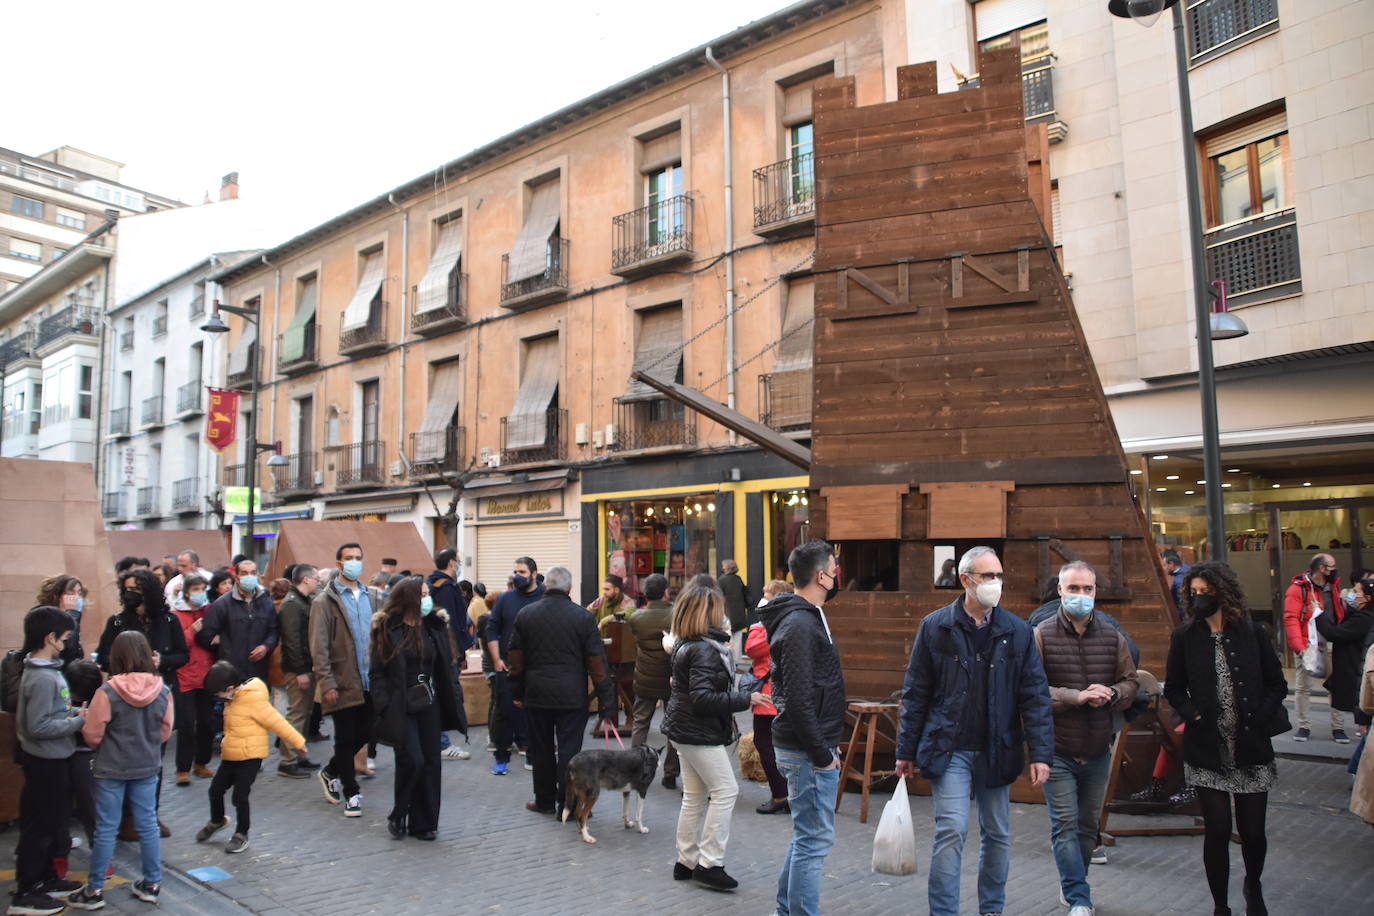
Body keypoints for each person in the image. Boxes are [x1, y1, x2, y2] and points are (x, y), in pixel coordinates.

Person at [894, 545, 1054, 916]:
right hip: (949, 748)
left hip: (998, 748)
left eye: (999, 576)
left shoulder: (1017, 630)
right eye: (987, 576)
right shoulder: (936, 627)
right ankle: (944, 912)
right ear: (966, 580)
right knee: (951, 830)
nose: (995, 583)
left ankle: (992, 909)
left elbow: (1034, 695)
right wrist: (905, 751)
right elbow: (916, 692)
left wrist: (1042, 754)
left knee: (997, 833)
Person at [1165, 561, 1286, 916]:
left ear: (1223, 591)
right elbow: (1174, 688)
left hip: (1251, 745)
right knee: (1217, 830)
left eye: (1206, 592)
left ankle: (1253, 884)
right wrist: (1196, 716)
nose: (1200, 598)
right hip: (1207, 748)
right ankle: (1220, 904)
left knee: (1254, 833)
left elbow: (1277, 683)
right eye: (1194, 593)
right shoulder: (1184, 637)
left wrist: (1261, 717)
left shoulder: (1253, 632)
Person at [1033, 562, 1139, 916]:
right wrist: (1074, 697)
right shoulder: (1043, 634)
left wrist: (1111, 692)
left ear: (1096, 592)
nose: (1081, 595)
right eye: (1074, 588)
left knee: (1087, 826)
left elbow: (1130, 682)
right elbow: (1032, 692)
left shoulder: (1111, 635)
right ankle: (1079, 896)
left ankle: (1072, 883)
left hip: (1097, 748)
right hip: (1057, 748)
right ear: (1060, 591)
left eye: (1088, 589)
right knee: (1064, 824)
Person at [759, 541, 847, 916]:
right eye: (834, 567)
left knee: (806, 838)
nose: (838, 572)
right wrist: (821, 753)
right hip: (807, 750)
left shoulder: (810, 615)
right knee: (813, 841)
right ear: (821, 575)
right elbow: (796, 698)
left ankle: (785, 909)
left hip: (811, 746)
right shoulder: (798, 623)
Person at [662, 580, 765, 892]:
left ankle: (687, 860)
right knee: (725, 791)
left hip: (683, 728)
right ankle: (710, 863)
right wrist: (747, 699)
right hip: (697, 731)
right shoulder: (705, 650)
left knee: (695, 796)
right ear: (709, 615)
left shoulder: (689, 645)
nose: (726, 616)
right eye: (721, 611)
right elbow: (703, 698)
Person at [68, 631, 174, 910]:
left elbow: (92, 734)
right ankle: (151, 883)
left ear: (116, 656)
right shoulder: (162, 690)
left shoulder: (107, 692)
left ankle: (94, 890)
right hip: (147, 765)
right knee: (147, 824)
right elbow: (165, 731)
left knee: (106, 827)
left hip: (111, 768)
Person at [507, 566, 614, 816]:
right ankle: (570, 803)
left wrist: (516, 692)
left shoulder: (526, 615)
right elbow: (597, 663)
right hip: (571, 695)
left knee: (541, 749)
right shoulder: (583, 618)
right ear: (570, 588)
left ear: (545, 586)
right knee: (569, 750)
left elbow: (515, 659)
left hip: (536, 693)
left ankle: (543, 800)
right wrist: (607, 700)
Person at [370, 576, 464, 840]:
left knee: (432, 762)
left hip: (429, 701)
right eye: (422, 594)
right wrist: (384, 704)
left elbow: (447, 666)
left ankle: (423, 823)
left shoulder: (435, 626)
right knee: (413, 759)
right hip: (400, 703)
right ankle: (400, 812)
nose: (427, 599)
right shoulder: (388, 628)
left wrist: (454, 694)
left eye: (427, 594)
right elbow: (377, 671)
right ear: (408, 598)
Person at [11, 606, 87, 915]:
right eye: (66, 637)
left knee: (51, 824)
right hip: (46, 761)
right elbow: (39, 726)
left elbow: (54, 713)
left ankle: (45, 879)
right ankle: (28, 890)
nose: (68, 642)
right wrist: (78, 722)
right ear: (50, 638)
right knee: (41, 827)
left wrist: (72, 714)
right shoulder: (42, 678)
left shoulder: (48, 671)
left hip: (53, 757)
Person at [194, 661, 307, 855]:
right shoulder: (230, 698)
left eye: (217, 695)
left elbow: (276, 722)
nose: (217, 699)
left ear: (229, 688)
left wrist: (298, 742)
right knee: (215, 790)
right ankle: (217, 820)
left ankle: (241, 834)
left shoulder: (253, 700)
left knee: (240, 796)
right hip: (231, 754)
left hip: (251, 757)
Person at [310, 542, 376, 817]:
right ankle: (351, 791)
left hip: (370, 679)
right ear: (338, 564)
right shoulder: (324, 601)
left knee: (370, 732)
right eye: (349, 558)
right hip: (341, 678)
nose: (354, 562)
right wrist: (327, 682)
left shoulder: (371, 595)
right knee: (346, 737)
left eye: (358, 558)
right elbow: (319, 645)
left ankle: (331, 770)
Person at [486, 557, 542, 775]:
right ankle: (501, 757)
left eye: (523, 572)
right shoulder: (505, 599)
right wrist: (497, 660)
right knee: (504, 713)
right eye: (515, 572)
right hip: (507, 668)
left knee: (535, 714)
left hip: (536, 668)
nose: (518, 576)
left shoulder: (544, 596)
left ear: (534, 574)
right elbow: (492, 629)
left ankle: (531, 753)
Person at [1283, 553, 1346, 743]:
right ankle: (1304, 725)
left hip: (1331, 640)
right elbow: (1291, 617)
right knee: (1303, 687)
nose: (1334, 569)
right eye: (1331, 566)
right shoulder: (1299, 588)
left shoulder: (1333, 586)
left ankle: (1338, 726)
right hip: (1308, 642)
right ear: (1321, 568)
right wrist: (1298, 646)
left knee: (1335, 685)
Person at [745, 579, 793, 815]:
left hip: (770, 696)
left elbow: (753, 649)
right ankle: (785, 793)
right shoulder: (786, 624)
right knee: (770, 745)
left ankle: (780, 795)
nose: (762, 598)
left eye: (766, 595)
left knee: (766, 744)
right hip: (775, 694)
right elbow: (752, 650)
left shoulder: (771, 626)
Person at [629, 573, 680, 789]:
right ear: (666, 592)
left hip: (645, 676)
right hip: (671, 677)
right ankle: (670, 772)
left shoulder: (636, 618)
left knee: (640, 721)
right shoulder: (676, 615)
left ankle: (635, 768)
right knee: (673, 726)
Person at [1314, 573, 1374, 743]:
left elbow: (1334, 633)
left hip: (1357, 673)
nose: (1351, 595)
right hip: (1357, 671)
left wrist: (1318, 613)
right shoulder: (1360, 615)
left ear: (1367, 598)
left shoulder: (1363, 619)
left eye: (1356, 592)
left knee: (1367, 732)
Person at [197, 557, 278, 684]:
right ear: (236, 577)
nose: (249, 576)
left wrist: (266, 646)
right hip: (232, 674)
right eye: (244, 573)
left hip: (259, 672)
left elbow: (274, 630)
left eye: (252, 573)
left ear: (257, 575)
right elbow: (205, 636)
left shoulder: (266, 601)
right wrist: (224, 647)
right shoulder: (222, 604)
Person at [276, 564, 323, 778]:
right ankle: (288, 760)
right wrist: (301, 671)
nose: (318, 581)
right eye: (315, 578)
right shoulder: (292, 604)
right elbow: (292, 641)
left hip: (305, 665)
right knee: (297, 713)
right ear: (305, 580)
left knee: (304, 712)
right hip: (298, 668)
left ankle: (299, 754)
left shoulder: (303, 601)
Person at [172, 574, 217, 786]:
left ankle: (201, 763)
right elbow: (176, 644)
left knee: (207, 723)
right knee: (187, 724)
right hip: (185, 676)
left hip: (207, 675)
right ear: (187, 591)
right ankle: (182, 768)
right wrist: (192, 631)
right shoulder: (176, 615)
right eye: (196, 589)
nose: (200, 593)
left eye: (203, 589)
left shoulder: (209, 611)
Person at [34, 575, 88, 662]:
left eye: (79, 593)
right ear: (58, 595)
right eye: (71, 592)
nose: (77, 597)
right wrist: (72, 614)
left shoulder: (72, 614)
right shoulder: (43, 615)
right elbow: (67, 648)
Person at [718, 559, 750, 659]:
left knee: (726, 640)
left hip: (727, 614)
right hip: (739, 613)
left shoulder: (722, 580)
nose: (722, 567)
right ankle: (736, 661)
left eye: (723, 566)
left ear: (727, 567)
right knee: (737, 640)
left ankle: (728, 661)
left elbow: (718, 597)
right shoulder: (738, 579)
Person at [1161, 550, 1191, 621]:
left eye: (1164, 565)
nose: (1163, 568)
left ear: (1171, 564)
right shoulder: (1189, 569)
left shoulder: (1178, 581)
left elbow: (1181, 605)